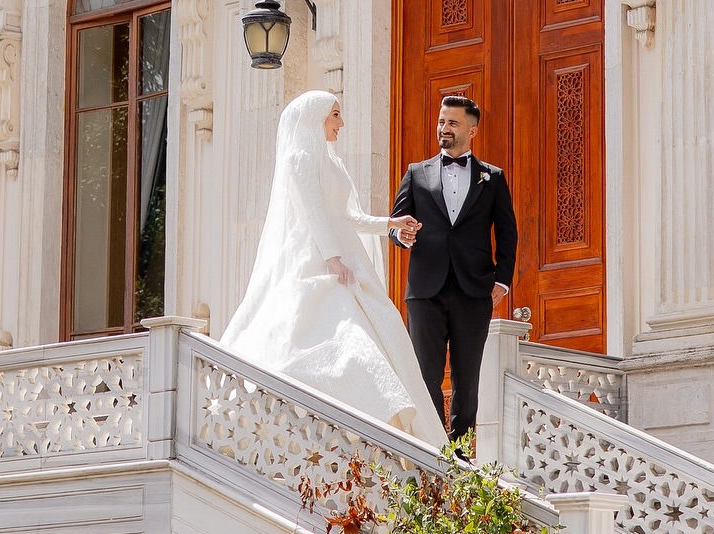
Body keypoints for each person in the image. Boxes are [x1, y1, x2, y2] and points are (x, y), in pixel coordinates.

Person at [219, 90, 447, 447]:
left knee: (379, 336)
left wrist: (390, 222)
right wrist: (330, 258)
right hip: (318, 260)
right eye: (335, 115)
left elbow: (348, 216)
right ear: (316, 118)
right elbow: (312, 211)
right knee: (345, 338)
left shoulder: (334, 163)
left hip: (347, 257)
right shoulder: (300, 158)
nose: (341, 123)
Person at [389, 95, 518, 444]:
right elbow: (394, 225)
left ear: (472, 130)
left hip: (474, 291)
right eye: (442, 122)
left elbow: (508, 232)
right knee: (426, 376)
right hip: (425, 290)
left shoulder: (493, 178)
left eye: (453, 123)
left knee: (467, 378)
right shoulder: (416, 173)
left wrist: (502, 281)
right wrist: (401, 235)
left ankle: (460, 454)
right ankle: (432, 447)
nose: (444, 129)